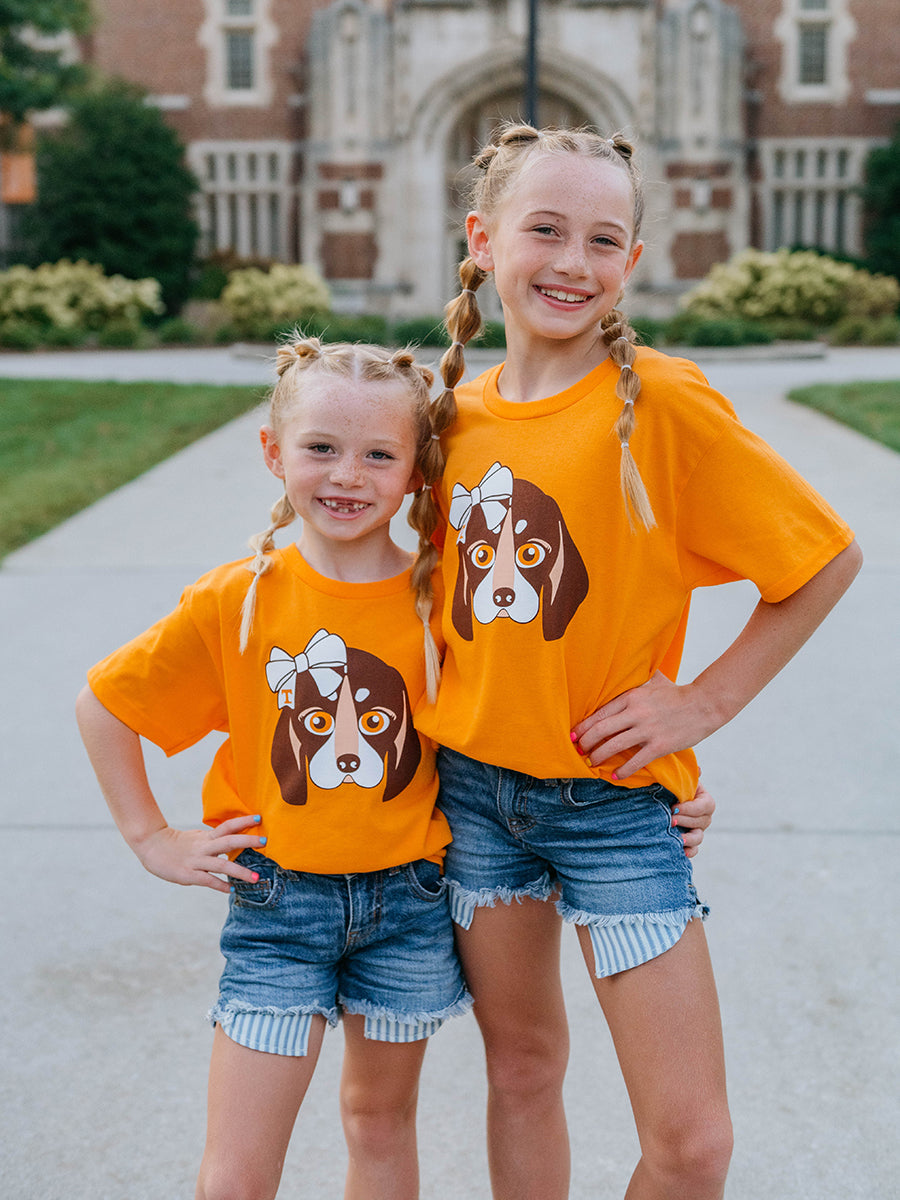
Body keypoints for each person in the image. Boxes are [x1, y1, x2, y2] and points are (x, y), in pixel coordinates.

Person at [416, 124, 863, 1200]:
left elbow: (821, 560)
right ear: (482, 240)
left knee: (693, 1143)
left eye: (603, 239)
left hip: (616, 808)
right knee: (523, 1071)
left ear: (632, 263)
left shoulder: (659, 404)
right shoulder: (446, 420)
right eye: (545, 230)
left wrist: (699, 706)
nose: (572, 261)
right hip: (473, 802)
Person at [75, 338, 471, 1200]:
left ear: (415, 472)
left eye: (379, 455)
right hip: (277, 908)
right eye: (321, 447)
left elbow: (528, 721)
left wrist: (671, 786)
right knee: (238, 1176)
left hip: (409, 905)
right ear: (273, 453)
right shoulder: (239, 599)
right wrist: (150, 837)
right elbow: (106, 706)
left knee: (378, 1124)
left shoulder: (442, 606)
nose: (348, 475)